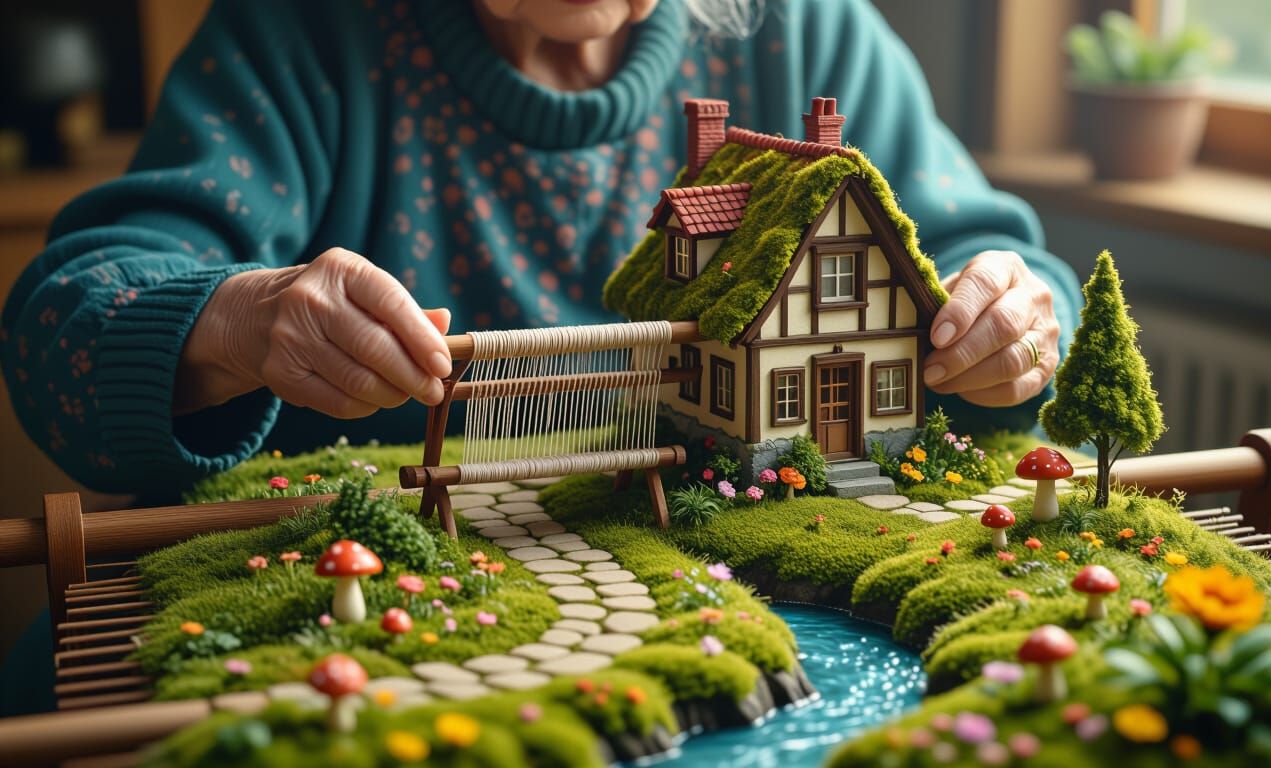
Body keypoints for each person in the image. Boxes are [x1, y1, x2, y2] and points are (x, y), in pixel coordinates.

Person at [0, 0, 1078, 713]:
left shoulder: (800, 25)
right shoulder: (305, 30)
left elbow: (1001, 266)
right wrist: (238, 318)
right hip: (396, 661)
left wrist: (1013, 325)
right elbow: (63, 332)